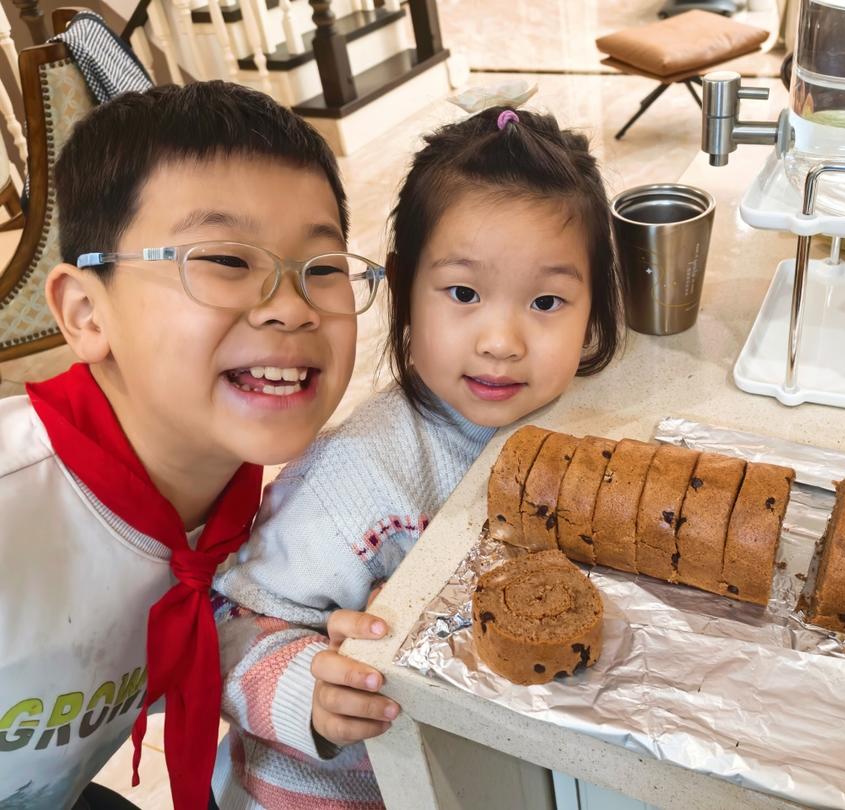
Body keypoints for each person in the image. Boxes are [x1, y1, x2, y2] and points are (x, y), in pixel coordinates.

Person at [211, 106, 624, 808]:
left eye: (547, 301)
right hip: (320, 791)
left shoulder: (565, 424)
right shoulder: (354, 478)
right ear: (403, 289)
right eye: (463, 293)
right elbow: (231, 626)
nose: (502, 340)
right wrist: (312, 693)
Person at [0, 81, 376, 810]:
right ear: (85, 312)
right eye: (227, 261)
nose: (294, 307)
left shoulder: (253, 521)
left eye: (323, 268)